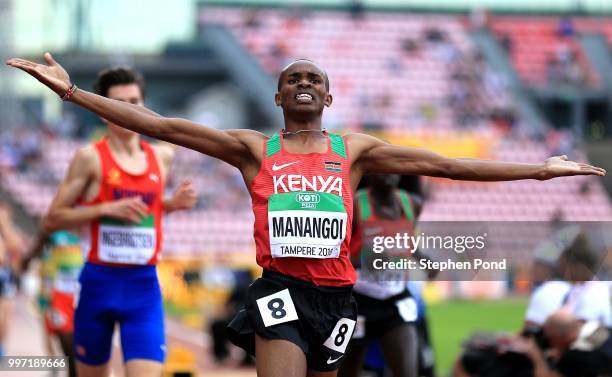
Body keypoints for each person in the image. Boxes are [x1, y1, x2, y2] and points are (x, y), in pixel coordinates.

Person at [6, 54, 606, 377]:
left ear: (327, 97)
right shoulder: (253, 148)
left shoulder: (355, 151)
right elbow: (162, 125)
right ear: (278, 97)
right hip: (280, 290)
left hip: (338, 300)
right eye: (292, 78)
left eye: (313, 79)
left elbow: (452, 166)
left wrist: (538, 170)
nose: (303, 83)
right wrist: (71, 93)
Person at [7, 65, 197, 377]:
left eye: (135, 102)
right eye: (119, 103)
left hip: (143, 289)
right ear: (105, 112)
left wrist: (170, 205)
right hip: (99, 286)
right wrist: (103, 209)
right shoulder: (90, 158)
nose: (129, 111)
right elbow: (52, 218)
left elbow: (141, 211)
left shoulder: (162, 157)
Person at [339, 174, 423, 377]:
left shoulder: (413, 203)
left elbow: (406, 241)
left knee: (408, 372)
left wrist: (423, 258)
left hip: (395, 301)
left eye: (395, 169)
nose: (390, 174)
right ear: (370, 171)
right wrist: (369, 259)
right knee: (345, 372)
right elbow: (337, 253)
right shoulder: (356, 203)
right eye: (383, 169)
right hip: (357, 302)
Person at [22, 230, 83, 377]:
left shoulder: (86, 228)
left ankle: (70, 368)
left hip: (79, 295)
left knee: (76, 340)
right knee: (54, 335)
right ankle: (54, 366)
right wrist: (27, 261)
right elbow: (33, 252)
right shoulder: (53, 232)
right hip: (54, 295)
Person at [518, 310, 612, 377]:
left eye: (550, 338)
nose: (549, 342)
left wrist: (535, 355)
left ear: (558, 337)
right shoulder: (603, 329)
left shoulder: (576, 355)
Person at [0, 203, 24, 357]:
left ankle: (1, 345)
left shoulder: (10, 232)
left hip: (6, 276)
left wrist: (5, 226)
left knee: (6, 314)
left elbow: (16, 247)